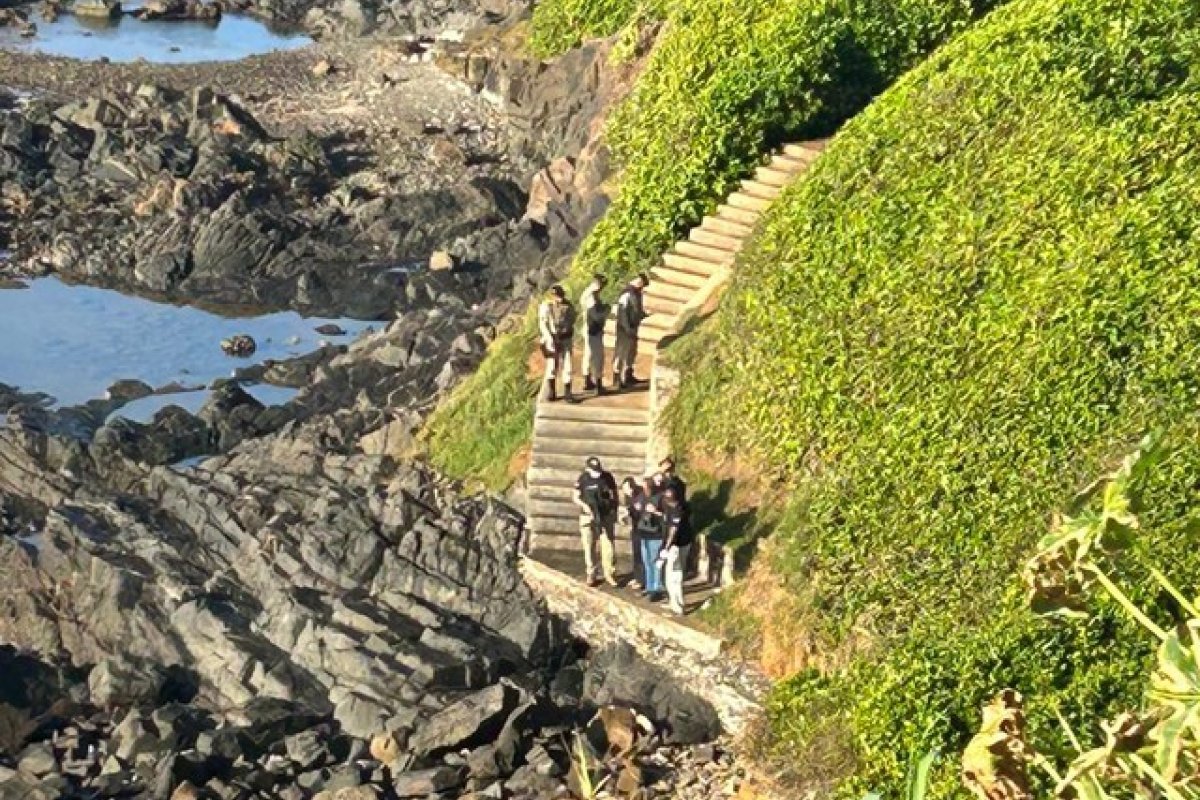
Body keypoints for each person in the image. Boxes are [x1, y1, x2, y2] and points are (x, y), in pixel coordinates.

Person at [575, 456, 619, 587]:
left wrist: (614, 510)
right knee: (589, 545)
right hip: (588, 515)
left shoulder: (607, 477)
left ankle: (609, 573)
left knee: (608, 545)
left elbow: (615, 494)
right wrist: (584, 506)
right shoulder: (582, 478)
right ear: (587, 468)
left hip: (605, 515)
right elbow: (575, 497)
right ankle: (591, 573)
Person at [537, 284, 576, 403]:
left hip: (565, 338)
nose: (558, 299)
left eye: (559, 296)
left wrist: (566, 330)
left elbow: (572, 320)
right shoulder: (546, 306)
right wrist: (549, 338)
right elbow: (543, 324)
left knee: (567, 364)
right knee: (552, 365)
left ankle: (568, 392)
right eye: (556, 296)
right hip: (552, 338)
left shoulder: (568, 306)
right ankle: (551, 391)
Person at [660, 487, 693, 616]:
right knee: (672, 576)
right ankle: (674, 602)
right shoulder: (673, 507)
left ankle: (678, 606)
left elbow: (673, 531)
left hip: (678, 547)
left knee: (674, 577)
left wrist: (666, 548)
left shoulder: (678, 511)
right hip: (677, 545)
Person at [612, 273, 649, 389]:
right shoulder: (627, 294)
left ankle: (628, 375)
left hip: (633, 327)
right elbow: (622, 313)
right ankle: (617, 378)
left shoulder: (637, 293)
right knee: (621, 352)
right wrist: (627, 328)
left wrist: (643, 315)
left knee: (631, 352)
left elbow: (636, 310)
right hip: (624, 329)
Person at [579, 274, 610, 395]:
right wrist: (606, 310)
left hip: (589, 328)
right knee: (597, 357)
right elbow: (596, 315)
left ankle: (587, 380)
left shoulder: (587, 293)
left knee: (588, 354)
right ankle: (598, 384)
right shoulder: (591, 296)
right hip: (593, 330)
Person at [635, 482, 666, 600]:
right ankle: (649, 587)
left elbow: (666, 516)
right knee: (647, 562)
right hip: (644, 533)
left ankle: (657, 588)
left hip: (656, 535)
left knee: (655, 562)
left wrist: (655, 511)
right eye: (643, 488)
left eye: (647, 488)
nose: (645, 490)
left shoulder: (661, 498)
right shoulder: (642, 497)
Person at [618, 476, 646, 590]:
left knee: (641, 554)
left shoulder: (640, 495)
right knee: (636, 554)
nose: (626, 491)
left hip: (643, 528)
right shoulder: (628, 497)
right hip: (635, 527)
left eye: (627, 489)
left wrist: (627, 512)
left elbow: (637, 509)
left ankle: (642, 580)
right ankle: (637, 577)